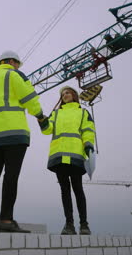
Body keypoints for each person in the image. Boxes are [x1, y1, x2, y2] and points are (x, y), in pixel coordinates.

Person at [0, 50, 46, 233]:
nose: (18, 67)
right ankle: (6, 220)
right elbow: (29, 98)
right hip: (14, 132)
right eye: (17, 63)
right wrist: (40, 115)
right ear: (11, 62)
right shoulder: (14, 74)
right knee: (11, 174)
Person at [39, 86, 95, 235]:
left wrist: (89, 146)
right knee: (65, 190)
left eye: (67, 92)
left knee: (77, 189)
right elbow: (47, 130)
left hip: (75, 155)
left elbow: (88, 130)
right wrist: (42, 120)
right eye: (63, 94)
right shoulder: (56, 113)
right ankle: (69, 224)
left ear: (74, 95)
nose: (65, 95)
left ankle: (84, 224)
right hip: (58, 156)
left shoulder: (82, 112)